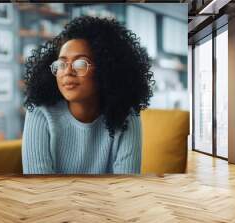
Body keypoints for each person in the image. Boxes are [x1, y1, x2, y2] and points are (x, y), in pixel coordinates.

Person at [22, 16, 154, 174]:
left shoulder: (126, 116)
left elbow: (126, 188)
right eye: (61, 64)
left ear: (106, 69)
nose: (68, 72)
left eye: (80, 63)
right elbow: (40, 190)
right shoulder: (40, 112)